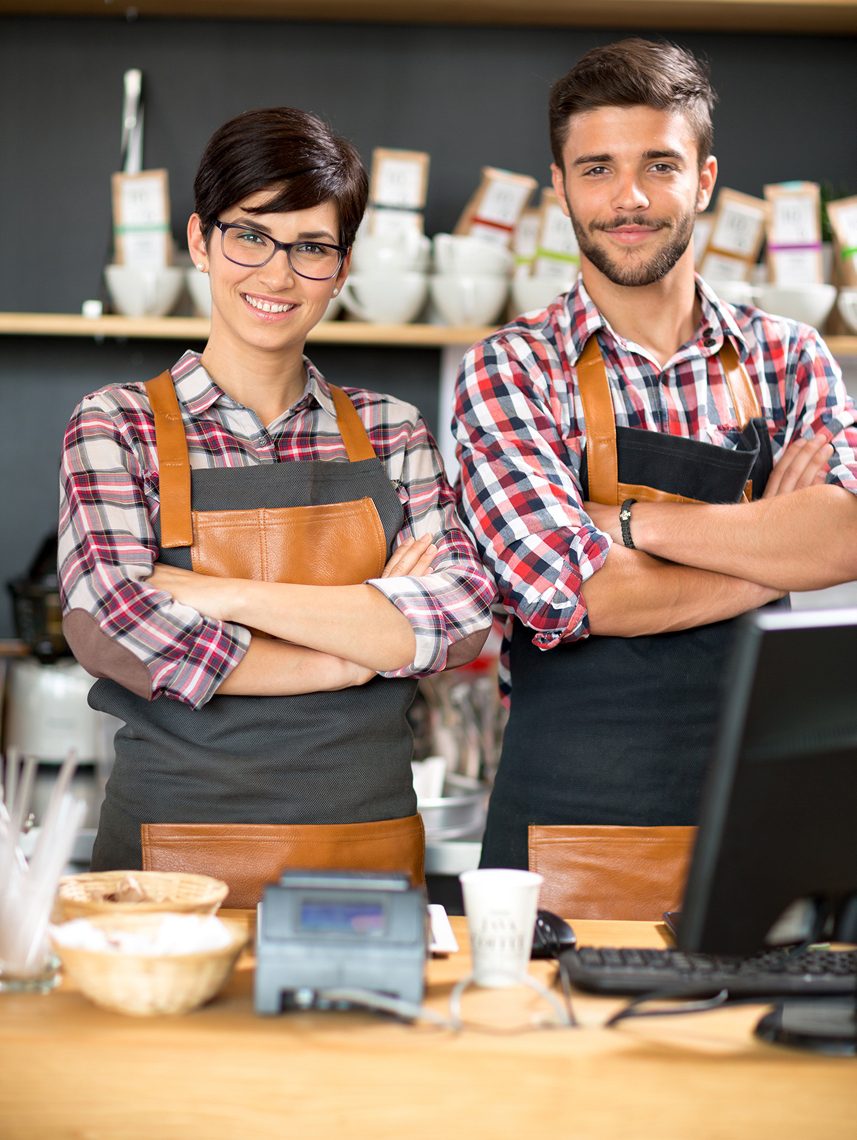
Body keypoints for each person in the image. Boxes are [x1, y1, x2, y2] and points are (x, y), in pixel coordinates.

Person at [59, 106, 495, 879]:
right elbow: (114, 626)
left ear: (343, 268)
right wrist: (355, 649)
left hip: (366, 849)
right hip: (170, 855)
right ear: (200, 240)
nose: (277, 273)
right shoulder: (116, 424)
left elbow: (458, 619)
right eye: (251, 235)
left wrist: (217, 594)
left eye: (311, 248)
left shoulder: (393, 431)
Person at [453, 38, 857, 870]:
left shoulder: (789, 357)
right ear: (558, 186)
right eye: (596, 169)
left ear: (703, 179)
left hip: (758, 819)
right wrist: (775, 541)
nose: (628, 198)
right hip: (566, 824)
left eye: (659, 165)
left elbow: (845, 539)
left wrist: (628, 524)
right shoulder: (510, 368)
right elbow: (578, 591)